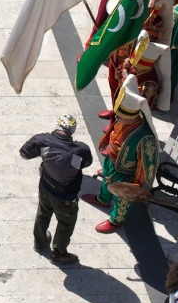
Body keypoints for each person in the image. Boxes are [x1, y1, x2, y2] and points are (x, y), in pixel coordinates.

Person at [83, 75, 157, 234]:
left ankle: (116, 220)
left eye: (120, 116)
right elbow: (113, 128)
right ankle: (103, 199)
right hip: (111, 161)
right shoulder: (123, 119)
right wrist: (105, 139)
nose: (116, 117)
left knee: (122, 199)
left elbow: (146, 164)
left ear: (132, 118)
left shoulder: (145, 138)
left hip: (125, 173)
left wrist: (136, 185)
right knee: (105, 182)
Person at [20, 114, 93, 265]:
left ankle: (39, 243)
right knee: (66, 224)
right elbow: (86, 163)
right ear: (72, 131)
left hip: (45, 186)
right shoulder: (80, 150)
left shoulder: (42, 140)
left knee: (43, 213)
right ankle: (59, 254)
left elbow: (24, 154)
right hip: (65, 197)